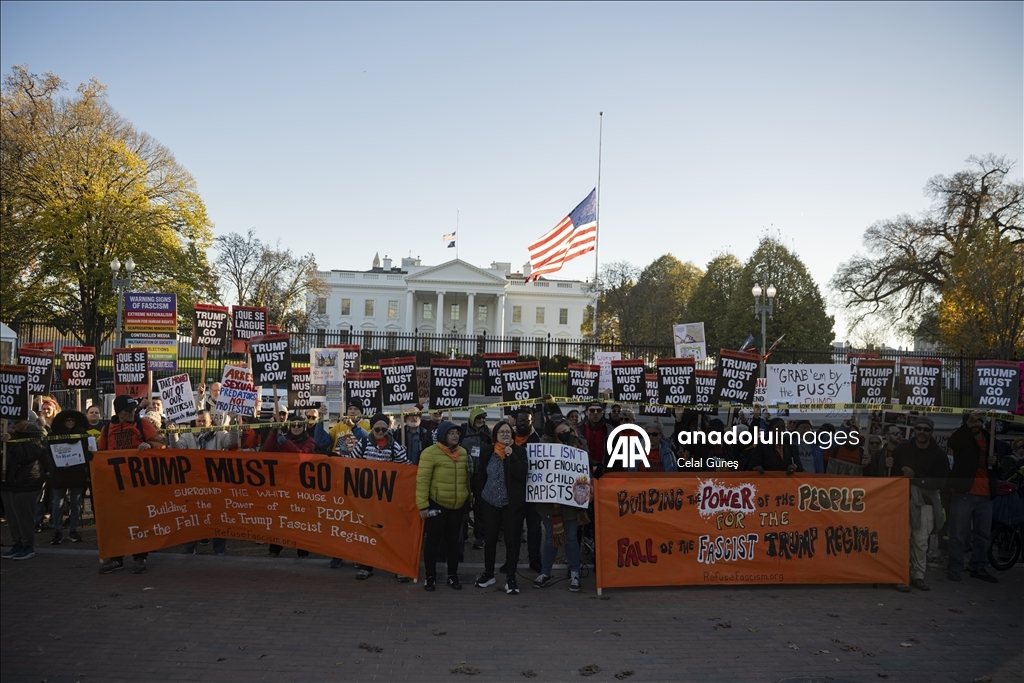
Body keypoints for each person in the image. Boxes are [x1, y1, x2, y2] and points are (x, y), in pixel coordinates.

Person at [96, 395, 165, 574]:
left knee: (139, 519)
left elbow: (161, 444)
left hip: (138, 482)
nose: (132, 412)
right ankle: (116, 558)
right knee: (116, 521)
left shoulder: (143, 424)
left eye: (134, 409)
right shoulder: (107, 428)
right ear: (119, 412)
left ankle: (140, 557)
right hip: (116, 483)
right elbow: (101, 453)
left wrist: (149, 445)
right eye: (128, 410)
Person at [340, 412, 411, 580]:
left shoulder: (395, 447)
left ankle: (397, 567)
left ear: (388, 429)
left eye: (383, 429)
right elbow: (351, 463)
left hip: (388, 498)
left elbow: (406, 468)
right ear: (372, 429)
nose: (380, 432)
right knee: (369, 531)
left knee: (392, 532)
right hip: (368, 498)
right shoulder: (363, 443)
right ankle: (367, 566)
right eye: (377, 429)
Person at [167, 410, 239, 555]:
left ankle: (219, 551)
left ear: (210, 421)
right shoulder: (187, 435)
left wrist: (233, 423)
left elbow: (232, 441)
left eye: (203, 421)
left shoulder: (219, 434)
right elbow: (177, 449)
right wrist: (173, 433)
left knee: (218, 518)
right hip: (195, 485)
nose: (201, 424)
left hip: (214, 485)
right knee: (193, 518)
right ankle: (190, 549)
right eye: (198, 421)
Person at [890, 416, 948, 592]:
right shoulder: (901, 449)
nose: (922, 432)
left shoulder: (939, 455)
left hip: (926, 503)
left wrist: (915, 478)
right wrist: (886, 464)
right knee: (901, 539)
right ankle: (900, 575)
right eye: (919, 428)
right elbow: (892, 475)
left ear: (931, 432)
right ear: (914, 429)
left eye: (926, 429)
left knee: (921, 541)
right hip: (902, 500)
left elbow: (939, 483)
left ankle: (918, 576)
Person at [534, 417, 590, 592]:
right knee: (550, 537)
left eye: (565, 431)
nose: (564, 435)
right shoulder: (544, 445)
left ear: (570, 428)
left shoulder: (580, 443)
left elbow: (586, 466)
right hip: (550, 502)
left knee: (571, 538)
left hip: (571, 501)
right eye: (559, 434)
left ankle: (574, 573)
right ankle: (545, 573)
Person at [472, 421, 528, 593]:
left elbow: (521, 474)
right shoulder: (487, 452)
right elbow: (481, 474)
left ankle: (511, 578)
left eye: (508, 432)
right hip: (490, 502)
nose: (505, 434)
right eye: (501, 432)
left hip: (511, 504)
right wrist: (480, 495)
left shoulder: (519, 451)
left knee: (511, 541)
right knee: (490, 540)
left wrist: (512, 456)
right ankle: (489, 573)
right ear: (495, 435)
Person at [946, 412, 1001, 583]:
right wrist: (967, 425)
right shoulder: (962, 437)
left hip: (985, 495)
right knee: (958, 534)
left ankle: (978, 567)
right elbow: (952, 443)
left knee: (983, 535)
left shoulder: (989, 439)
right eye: (971, 421)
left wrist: (995, 463)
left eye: (978, 421)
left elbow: (998, 469)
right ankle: (955, 567)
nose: (975, 424)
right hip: (964, 493)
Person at [416, 421, 471, 591]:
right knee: (432, 541)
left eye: (457, 433)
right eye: (451, 433)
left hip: (457, 506)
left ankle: (452, 575)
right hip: (437, 505)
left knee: (453, 542)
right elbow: (422, 481)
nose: (456, 436)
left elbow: (467, 478)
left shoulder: (463, 453)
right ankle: (430, 576)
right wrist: (423, 506)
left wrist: (468, 498)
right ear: (442, 435)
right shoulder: (430, 453)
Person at [263, 412, 316, 558]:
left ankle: (302, 551)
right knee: (281, 517)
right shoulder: (283, 437)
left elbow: (301, 455)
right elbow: (268, 449)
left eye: (299, 425)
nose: (296, 427)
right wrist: (274, 433)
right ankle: (275, 548)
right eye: (293, 425)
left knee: (300, 519)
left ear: (304, 427)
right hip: (283, 484)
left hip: (300, 486)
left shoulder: (309, 441)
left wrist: (286, 442)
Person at [1, 414, 46, 560]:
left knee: (23, 517)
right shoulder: (10, 436)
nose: (12, 425)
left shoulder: (37, 436)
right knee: (12, 518)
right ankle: (17, 543)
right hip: (8, 482)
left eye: (16, 422)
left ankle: (27, 545)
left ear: (27, 422)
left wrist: (11, 442)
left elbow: (24, 457)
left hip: (26, 483)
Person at [47, 410, 91, 545]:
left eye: (73, 420)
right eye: (68, 420)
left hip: (77, 472)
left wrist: (88, 455)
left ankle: (73, 530)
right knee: (57, 503)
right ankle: (57, 531)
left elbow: (87, 454)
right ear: (62, 421)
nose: (70, 422)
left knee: (76, 503)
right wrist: (57, 466)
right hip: (59, 472)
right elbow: (48, 454)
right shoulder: (53, 435)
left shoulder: (83, 435)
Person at [512, 408, 543, 573]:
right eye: (521, 420)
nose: (523, 423)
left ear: (532, 421)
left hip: (534, 490)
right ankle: (511, 560)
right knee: (514, 528)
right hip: (515, 490)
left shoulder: (539, 438)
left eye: (527, 420)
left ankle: (535, 559)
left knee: (535, 528)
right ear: (515, 421)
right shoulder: (508, 437)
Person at [462, 407, 492, 550]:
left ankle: (480, 536)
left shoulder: (487, 432)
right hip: (465, 473)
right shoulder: (463, 430)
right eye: (478, 417)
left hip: (481, 474)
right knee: (463, 504)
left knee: (480, 506)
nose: (480, 420)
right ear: (472, 418)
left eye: (482, 418)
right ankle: (462, 535)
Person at [580, 401, 612, 477]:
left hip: (605, 472)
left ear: (602, 413)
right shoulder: (578, 430)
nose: (595, 413)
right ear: (586, 412)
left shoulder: (610, 430)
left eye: (599, 410)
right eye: (592, 410)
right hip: (582, 470)